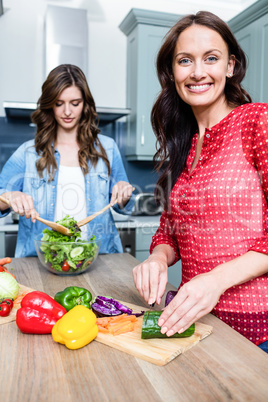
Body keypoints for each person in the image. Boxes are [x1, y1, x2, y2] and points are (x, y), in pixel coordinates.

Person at [132, 11, 268, 352]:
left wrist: (215, 281)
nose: (197, 72)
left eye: (211, 58)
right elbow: (170, 231)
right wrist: (158, 259)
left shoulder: (257, 121)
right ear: (172, 72)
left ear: (230, 66)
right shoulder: (184, 142)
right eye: (184, 60)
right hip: (197, 323)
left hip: (258, 329)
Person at [0, 64, 134, 257]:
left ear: (85, 104)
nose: (67, 112)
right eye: (59, 103)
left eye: (75, 103)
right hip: (42, 260)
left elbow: (124, 206)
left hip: (98, 258)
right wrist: (10, 197)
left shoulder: (108, 147)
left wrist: (125, 192)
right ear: (50, 105)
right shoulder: (28, 152)